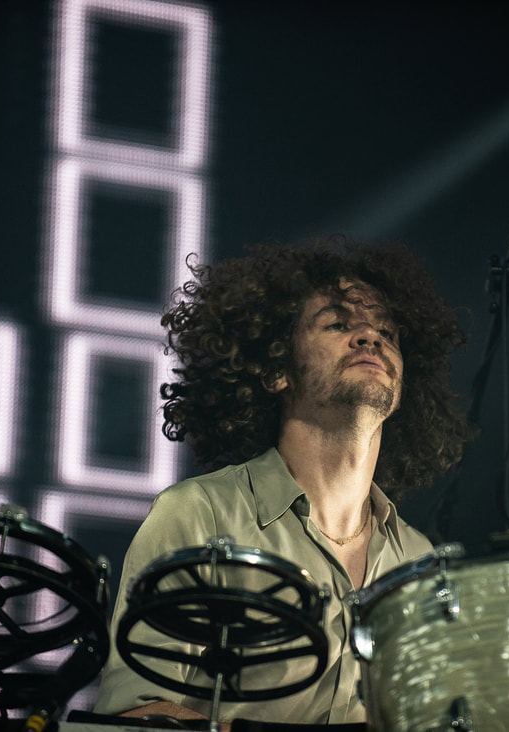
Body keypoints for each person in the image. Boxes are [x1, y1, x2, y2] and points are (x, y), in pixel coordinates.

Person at [93, 237, 471, 726]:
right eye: (338, 324)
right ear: (275, 370)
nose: (370, 337)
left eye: (386, 331)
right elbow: (134, 714)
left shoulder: (419, 562)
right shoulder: (201, 515)